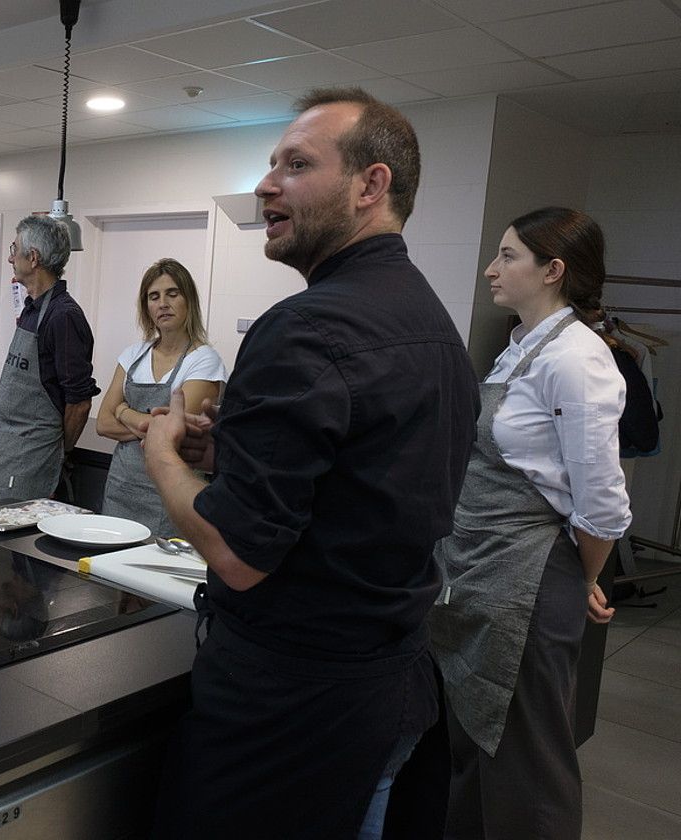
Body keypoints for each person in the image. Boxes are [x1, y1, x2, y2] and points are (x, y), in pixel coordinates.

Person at [142, 86, 478, 839]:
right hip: (389, 687)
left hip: (292, 713)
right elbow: (366, 482)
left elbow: (238, 555)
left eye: (295, 165)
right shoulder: (431, 323)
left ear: (371, 185)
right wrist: (230, 455)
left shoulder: (304, 328)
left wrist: (165, 456)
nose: (266, 185)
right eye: (271, 165)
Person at [429, 207, 630, 839]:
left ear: (553, 270)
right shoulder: (520, 348)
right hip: (486, 575)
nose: (492, 268)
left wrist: (579, 578)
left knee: (526, 773)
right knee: (476, 754)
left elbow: (602, 502)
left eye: (508, 255)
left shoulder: (577, 358)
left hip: (525, 585)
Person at [0, 215, 98, 503]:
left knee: (19, 543)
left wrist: (56, 454)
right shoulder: (32, 308)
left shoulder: (63, 316)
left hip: (32, 461)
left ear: (33, 258)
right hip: (2, 452)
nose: (9, 258)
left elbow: (78, 403)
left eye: (14, 250)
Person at [95, 258, 224, 537]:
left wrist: (123, 411)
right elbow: (102, 423)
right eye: (154, 297)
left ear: (188, 300)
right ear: (147, 308)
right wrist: (149, 424)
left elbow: (173, 433)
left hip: (171, 493)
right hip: (121, 488)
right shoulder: (133, 354)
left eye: (172, 294)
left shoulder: (204, 360)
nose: (163, 303)